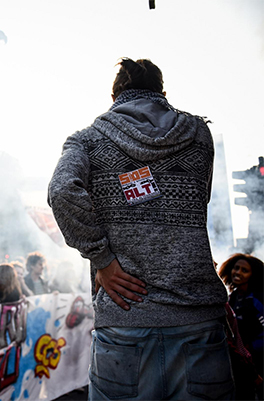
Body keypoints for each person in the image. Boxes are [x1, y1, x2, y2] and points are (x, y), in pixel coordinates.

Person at [48, 58, 232, 400]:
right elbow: (199, 200)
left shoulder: (86, 141)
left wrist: (102, 259)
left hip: (126, 317)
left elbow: (61, 191)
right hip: (197, 318)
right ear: (162, 92)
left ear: (115, 94)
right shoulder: (198, 133)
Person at [218, 254, 264, 390]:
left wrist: (252, 348)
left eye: (244, 270)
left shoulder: (258, 299)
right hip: (243, 361)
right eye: (236, 268)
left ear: (253, 275)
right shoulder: (232, 298)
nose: (238, 272)